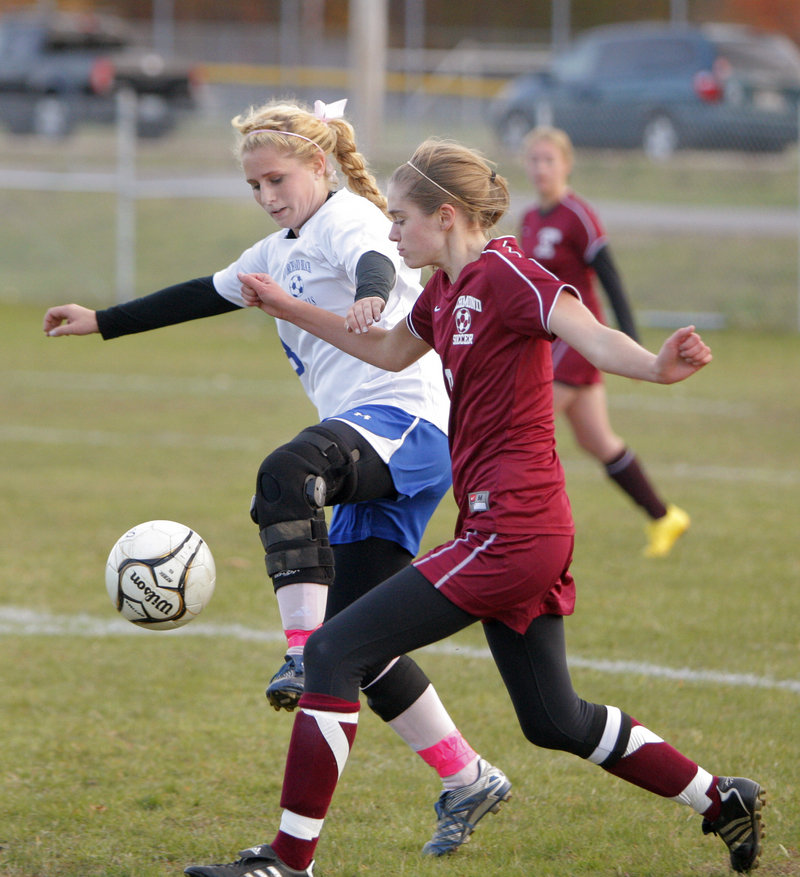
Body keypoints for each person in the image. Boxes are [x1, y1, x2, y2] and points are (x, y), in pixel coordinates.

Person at [183, 139, 765, 877]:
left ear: (446, 216)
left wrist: (654, 366)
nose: (389, 234)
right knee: (554, 719)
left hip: (514, 529)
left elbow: (587, 333)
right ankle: (722, 797)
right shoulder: (443, 291)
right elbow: (392, 354)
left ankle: (287, 862)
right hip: (505, 528)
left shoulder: (510, 273)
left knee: (333, 647)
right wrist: (290, 305)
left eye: (399, 219)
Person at [42, 100, 512, 857]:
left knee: (288, 471)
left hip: (406, 424)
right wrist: (103, 319)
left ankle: (299, 648)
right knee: (360, 639)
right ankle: (467, 775)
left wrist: (366, 292)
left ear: (318, 167)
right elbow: (202, 292)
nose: (267, 195)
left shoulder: (351, 217)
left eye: (277, 178)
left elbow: (377, 259)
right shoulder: (276, 249)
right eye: (255, 185)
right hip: (377, 446)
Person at [519, 126, 690, 558]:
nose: (541, 168)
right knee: (598, 442)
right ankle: (664, 516)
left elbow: (610, 278)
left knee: (523, 423)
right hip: (551, 340)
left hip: (580, 341)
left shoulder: (577, 214)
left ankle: (517, 527)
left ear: (566, 164)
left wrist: (632, 344)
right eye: (534, 160)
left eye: (549, 160)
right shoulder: (529, 219)